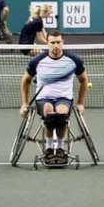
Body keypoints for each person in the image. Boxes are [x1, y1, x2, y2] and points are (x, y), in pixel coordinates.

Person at [19, 30, 88, 162]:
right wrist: (24, 103)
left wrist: (80, 103)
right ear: (47, 43)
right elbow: (25, 80)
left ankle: (60, 149)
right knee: (49, 112)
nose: (55, 46)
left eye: (58, 42)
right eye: (52, 43)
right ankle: (49, 148)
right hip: (43, 99)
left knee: (61, 114)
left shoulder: (74, 61)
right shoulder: (37, 61)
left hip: (64, 99)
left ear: (63, 43)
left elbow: (83, 80)